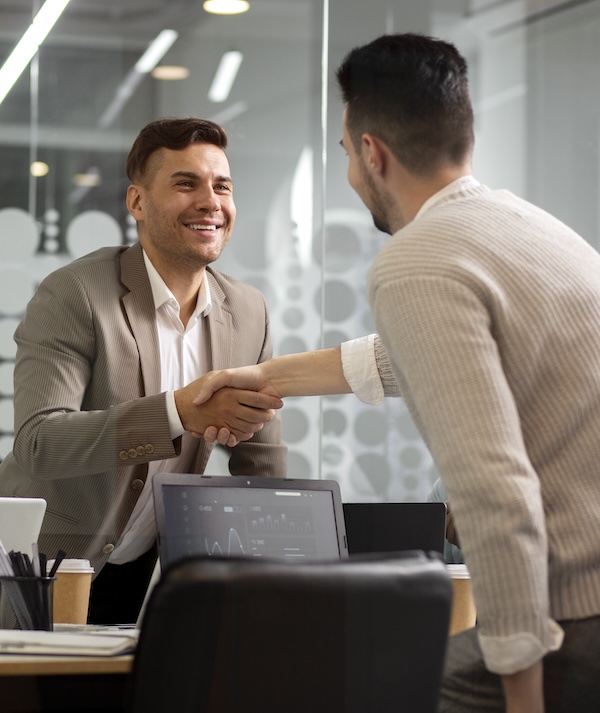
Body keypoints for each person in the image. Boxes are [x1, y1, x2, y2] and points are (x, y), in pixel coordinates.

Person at [193, 34, 600, 713]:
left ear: (373, 153)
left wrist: (521, 689)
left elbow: (494, 488)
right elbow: (407, 356)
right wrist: (267, 375)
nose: (352, 172)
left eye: (348, 154)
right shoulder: (535, 231)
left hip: (573, 622)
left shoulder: (418, 259)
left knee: (352, 685)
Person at [0, 117, 286, 625]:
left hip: (140, 570)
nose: (210, 202)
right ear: (137, 203)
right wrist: (178, 411)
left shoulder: (247, 310)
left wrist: (285, 574)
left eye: (222, 186)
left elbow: (261, 461)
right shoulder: (76, 293)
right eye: (185, 183)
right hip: (39, 568)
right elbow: (40, 442)